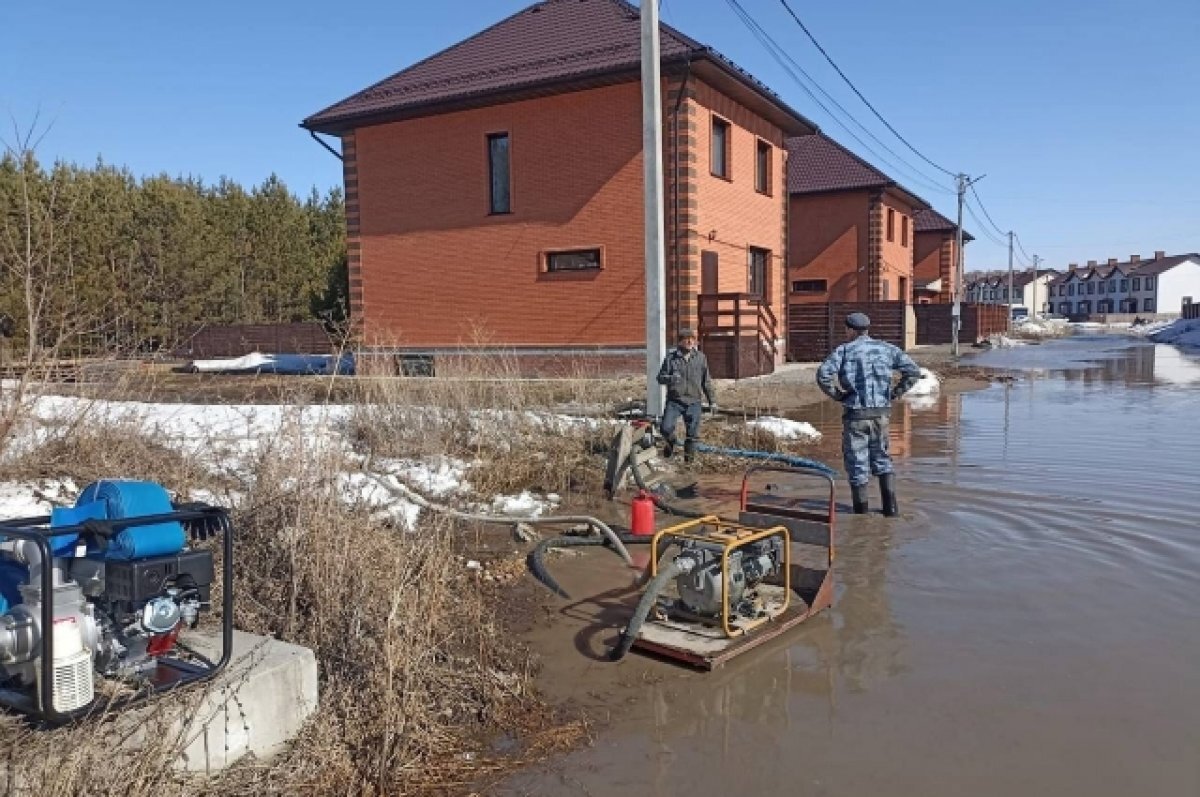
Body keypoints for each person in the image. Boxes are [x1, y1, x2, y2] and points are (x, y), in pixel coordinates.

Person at [816, 313, 921, 516]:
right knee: (882, 460)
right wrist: (894, 393)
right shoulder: (887, 349)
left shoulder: (844, 351)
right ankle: (891, 511)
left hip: (856, 415)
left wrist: (838, 395)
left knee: (857, 465)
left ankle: (861, 517)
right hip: (881, 415)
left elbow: (823, 375)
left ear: (850, 330)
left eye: (846, 329)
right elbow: (913, 371)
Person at [656, 327, 715, 462]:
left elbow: (706, 382)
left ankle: (688, 465)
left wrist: (713, 401)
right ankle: (671, 442)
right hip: (675, 401)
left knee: (692, 436)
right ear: (680, 342)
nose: (689, 341)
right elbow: (660, 378)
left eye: (692, 339)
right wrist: (671, 378)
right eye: (686, 339)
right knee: (665, 428)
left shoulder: (700, 358)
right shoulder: (671, 358)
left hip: (694, 401)